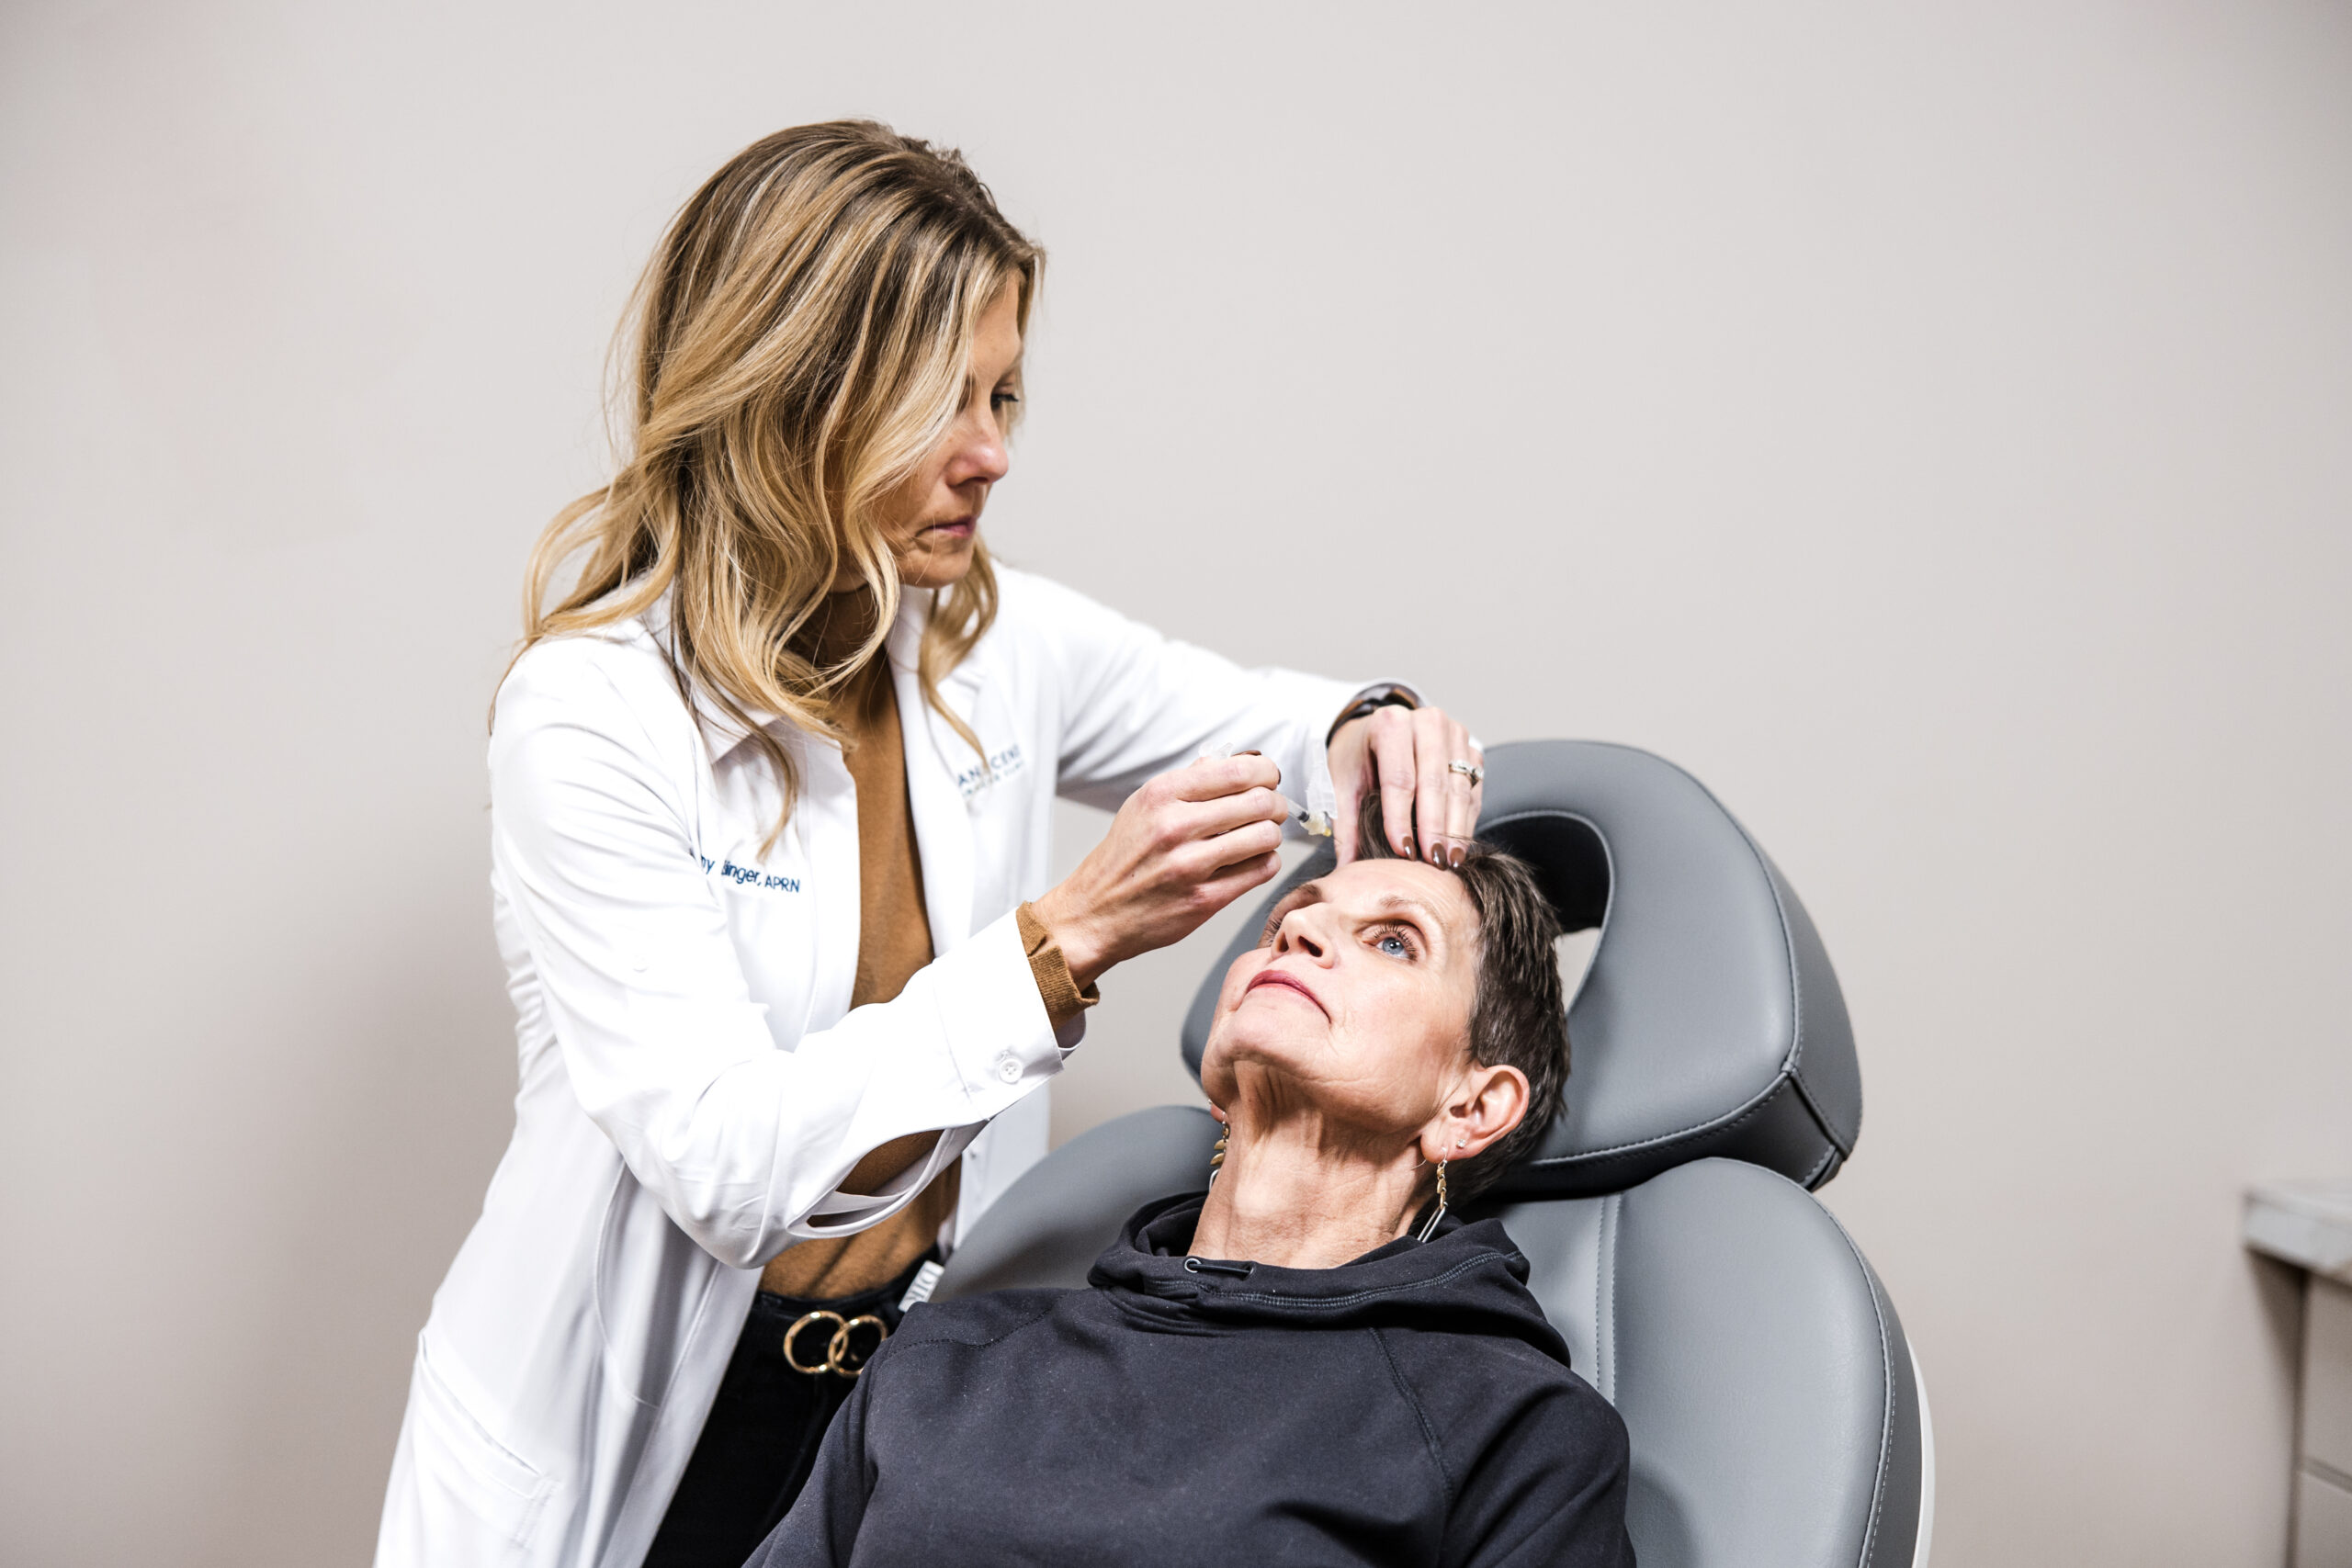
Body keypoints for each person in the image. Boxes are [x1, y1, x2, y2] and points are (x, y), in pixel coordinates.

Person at [375, 121, 1490, 1568]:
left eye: (1007, 393)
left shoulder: (986, 641)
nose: (995, 454)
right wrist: (1063, 942)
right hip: (642, 1431)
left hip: (904, 1404)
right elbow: (726, 1163)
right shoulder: (591, 714)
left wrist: (1367, 722)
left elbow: (1266, 724)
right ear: (794, 396)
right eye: (944, 402)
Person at [746, 806, 1636, 1568]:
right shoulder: (947, 1355)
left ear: (1472, 1106)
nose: (1298, 932)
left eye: (1395, 941)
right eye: (1288, 920)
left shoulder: (1515, 1432)